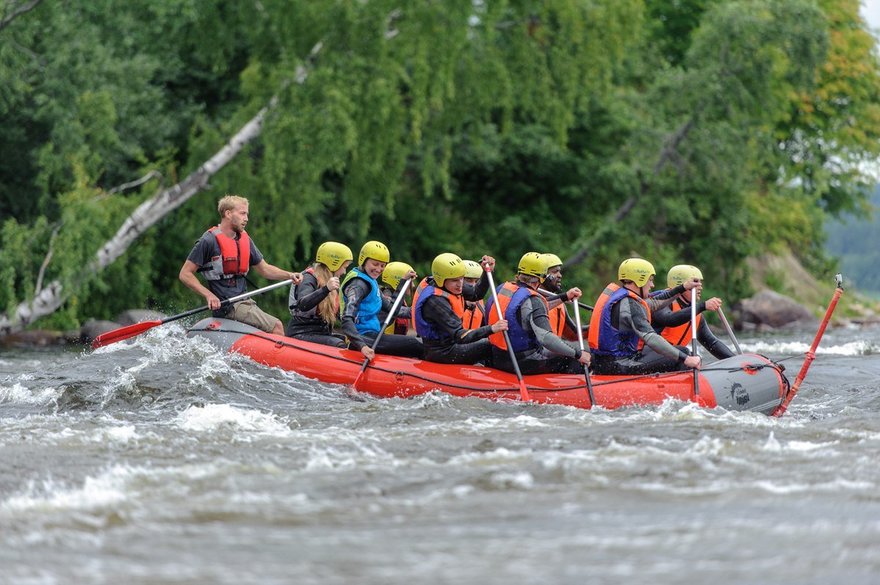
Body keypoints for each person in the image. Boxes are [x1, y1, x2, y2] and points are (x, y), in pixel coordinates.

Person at [179, 194, 301, 336]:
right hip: (229, 306)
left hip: (244, 301)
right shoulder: (208, 241)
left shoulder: (244, 239)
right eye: (242, 213)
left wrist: (290, 275)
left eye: (247, 214)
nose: (246, 218)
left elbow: (265, 269)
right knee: (277, 326)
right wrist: (209, 295)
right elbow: (185, 274)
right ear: (228, 214)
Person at [588, 258, 702, 375]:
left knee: (679, 352)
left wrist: (683, 287)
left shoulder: (624, 298)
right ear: (640, 280)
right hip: (619, 365)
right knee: (683, 352)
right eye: (650, 280)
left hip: (606, 363)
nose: (652, 285)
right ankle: (676, 390)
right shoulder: (630, 304)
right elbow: (651, 338)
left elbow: (655, 302)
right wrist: (686, 359)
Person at [486, 252, 591, 375]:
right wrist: (578, 354)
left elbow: (529, 309)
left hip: (497, 357)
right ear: (542, 277)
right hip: (522, 362)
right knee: (573, 358)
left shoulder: (503, 288)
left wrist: (564, 297)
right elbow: (547, 339)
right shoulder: (534, 300)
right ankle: (567, 391)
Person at [412, 253, 506, 365]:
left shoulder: (450, 285)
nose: (460, 284)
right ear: (441, 279)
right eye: (455, 280)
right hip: (442, 352)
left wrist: (486, 272)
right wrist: (492, 328)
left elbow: (476, 294)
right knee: (491, 345)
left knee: (491, 342)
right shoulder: (436, 301)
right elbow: (460, 335)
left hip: (452, 344)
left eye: (462, 279)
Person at [339, 241, 424, 358]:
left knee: (416, 343)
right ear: (363, 260)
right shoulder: (358, 285)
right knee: (415, 344)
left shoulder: (370, 281)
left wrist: (403, 281)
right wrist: (362, 346)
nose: (379, 269)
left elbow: (391, 309)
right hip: (362, 339)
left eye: (383, 265)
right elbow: (346, 319)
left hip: (372, 336)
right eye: (375, 264)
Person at [285, 242, 371, 358]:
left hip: (321, 333)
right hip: (300, 333)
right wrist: (326, 289)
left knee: (351, 342)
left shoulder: (332, 282)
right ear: (334, 264)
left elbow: (342, 315)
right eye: (344, 267)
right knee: (339, 344)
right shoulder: (309, 278)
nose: (344, 272)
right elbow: (303, 304)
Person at [652, 264, 735, 360]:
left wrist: (736, 360)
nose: (700, 287)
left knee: (692, 357)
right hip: (649, 357)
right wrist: (703, 306)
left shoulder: (696, 314)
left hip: (674, 358)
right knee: (686, 353)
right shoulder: (660, 302)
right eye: (695, 283)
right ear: (681, 285)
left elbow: (711, 343)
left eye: (700, 283)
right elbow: (670, 319)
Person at [540, 252, 584, 341]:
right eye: (555, 272)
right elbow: (539, 305)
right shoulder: (527, 298)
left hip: (552, 352)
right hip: (534, 353)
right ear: (542, 275)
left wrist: (599, 324)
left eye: (559, 271)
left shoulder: (559, 303)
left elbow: (573, 335)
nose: (560, 275)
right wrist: (566, 296)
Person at [380, 261, 416, 335]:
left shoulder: (399, 298)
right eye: (410, 281)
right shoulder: (386, 296)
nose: (413, 285)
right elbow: (399, 311)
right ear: (397, 281)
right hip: (381, 342)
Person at [461, 260, 486, 330]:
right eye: (469, 280)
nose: (474, 285)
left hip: (473, 339)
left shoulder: (480, 303)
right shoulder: (451, 301)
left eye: (476, 281)